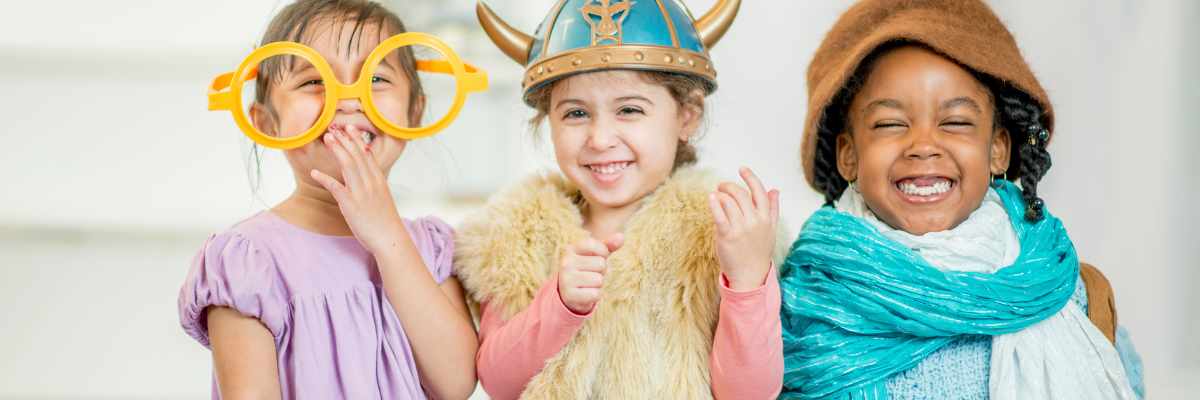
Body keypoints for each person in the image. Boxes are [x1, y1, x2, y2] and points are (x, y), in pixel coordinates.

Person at [779, 0, 1144, 399]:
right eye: (889, 123)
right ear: (847, 155)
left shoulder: (1071, 296)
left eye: (955, 122)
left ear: (998, 150)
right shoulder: (809, 303)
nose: (923, 145)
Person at [454, 0, 787, 398]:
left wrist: (747, 280)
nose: (599, 138)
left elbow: (750, 394)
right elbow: (497, 383)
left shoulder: (721, 233)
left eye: (629, 109)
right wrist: (558, 304)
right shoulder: (514, 239)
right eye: (576, 114)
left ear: (687, 116)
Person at [178, 1, 478, 398]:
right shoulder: (247, 261)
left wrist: (388, 236)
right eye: (313, 81)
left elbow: (456, 383)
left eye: (377, 79)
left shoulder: (431, 247)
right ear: (266, 122)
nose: (349, 100)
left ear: (415, 112)